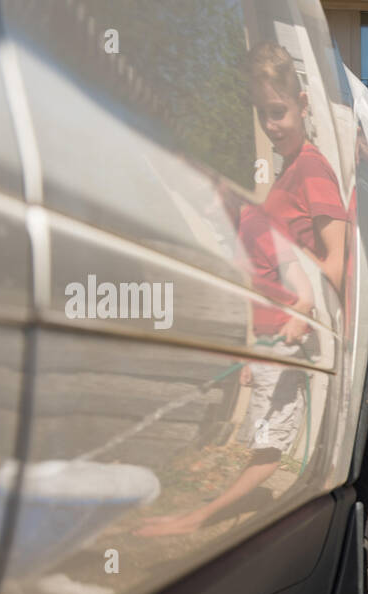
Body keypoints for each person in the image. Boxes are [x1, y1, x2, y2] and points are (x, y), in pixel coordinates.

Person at [138, 42, 347, 538]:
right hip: (274, 334)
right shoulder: (288, 172)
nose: (272, 125)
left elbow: (336, 261)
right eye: (263, 114)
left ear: (301, 102)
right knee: (262, 439)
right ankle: (225, 511)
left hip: (293, 332)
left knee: (270, 447)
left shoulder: (312, 169)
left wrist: (304, 313)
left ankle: (197, 519)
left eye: (279, 112)